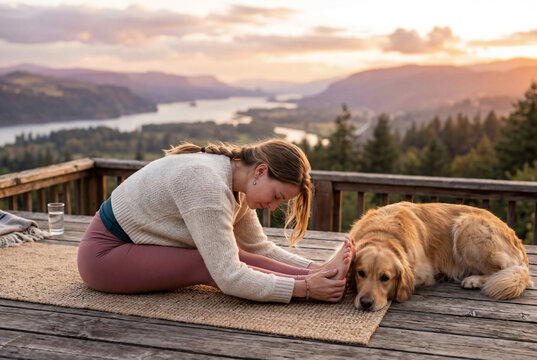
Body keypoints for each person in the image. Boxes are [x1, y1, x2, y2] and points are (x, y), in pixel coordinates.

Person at [77, 139, 354, 303]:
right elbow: (228, 277)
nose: (273, 206)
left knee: (235, 253)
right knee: (207, 263)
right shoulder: (206, 184)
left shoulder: (238, 183)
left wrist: (317, 269)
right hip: (105, 255)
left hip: (136, 248)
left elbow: (259, 248)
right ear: (260, 170)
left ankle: (321, 277)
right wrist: (304, 289)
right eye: (277, 196)